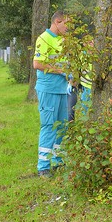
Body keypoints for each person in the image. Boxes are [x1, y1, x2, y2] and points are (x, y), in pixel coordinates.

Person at [33, 11, 69, 177]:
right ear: (57, 21)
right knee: (49, 125)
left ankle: (57, 161)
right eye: (66, 24)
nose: (68, 28)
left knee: (62, 125)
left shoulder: (63, 40)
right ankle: (43, 167)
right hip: (48, 89)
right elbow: (38, 63)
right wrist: (60, 71)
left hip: (62, 89)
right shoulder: (43, 38)